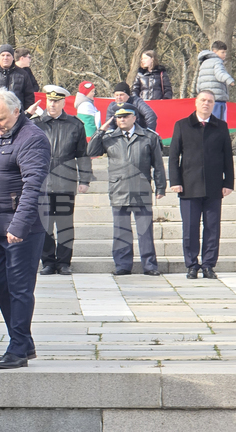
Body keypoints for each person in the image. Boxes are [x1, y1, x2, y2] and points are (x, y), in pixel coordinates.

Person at [0, 90, 51, 369]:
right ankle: (23, 342)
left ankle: (17, 348)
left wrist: (19, 225)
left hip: (22, 227)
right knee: (1, 286)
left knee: (19, 288)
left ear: (17, 112)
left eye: (1, 118)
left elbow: (32, 187)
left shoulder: (32, 138)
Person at [87, 104, 166, 276]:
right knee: (121, 231)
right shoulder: (110, 137)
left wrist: (161, 187)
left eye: (125, 116)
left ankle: (150, 265)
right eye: (118, 117)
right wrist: (101, 130)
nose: (121, 119)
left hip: (141, 188)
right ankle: (122, 265)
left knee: (145, 231)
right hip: (119, 189)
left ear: (134, 117)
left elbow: (158, 165)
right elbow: (91, 151)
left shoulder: (148, 137)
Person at [168, 91, 235, 279]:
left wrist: (228, 182)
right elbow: (174, 156)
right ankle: (191, 265)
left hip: (214, 187)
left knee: (212, 228)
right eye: (203, 100)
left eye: (210, 101)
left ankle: (208, 265)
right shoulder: (182, 125)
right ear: (196, 103)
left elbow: (227, 158)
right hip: (189, 186)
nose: (206, 104)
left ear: (214, 105)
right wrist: (175, 181)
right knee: (190, 228)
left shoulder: (221, 126)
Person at [31, 86, 93, 276]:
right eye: (50, 101)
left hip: (65, 183)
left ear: (63, 103)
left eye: (56, 101)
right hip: (42, 183)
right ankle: (48, 262)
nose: (52, 104)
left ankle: (64, 262)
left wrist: (85, 179)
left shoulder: (75, 125)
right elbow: (16, 133)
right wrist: (27, 114)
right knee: (45, 225)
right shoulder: (35, 124)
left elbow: (83, 154)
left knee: (65, 225)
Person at [0, 44, 35, 114]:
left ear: (13, 58)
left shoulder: (23, 75)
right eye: (3, 55)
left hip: (17, 118)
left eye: (8, 55)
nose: (5, 58)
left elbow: (29, 97)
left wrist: (25, 116)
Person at [197, 41, 235, 121]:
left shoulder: (203, 63)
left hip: (205, 98)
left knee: (207, 121)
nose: (225, 54)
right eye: (222, 52)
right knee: (219, 123)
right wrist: (230, 80)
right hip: (217, 98)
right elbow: (220, 74)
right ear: (214, 52)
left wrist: (199, 93)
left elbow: (199, 80)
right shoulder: (217, 62)